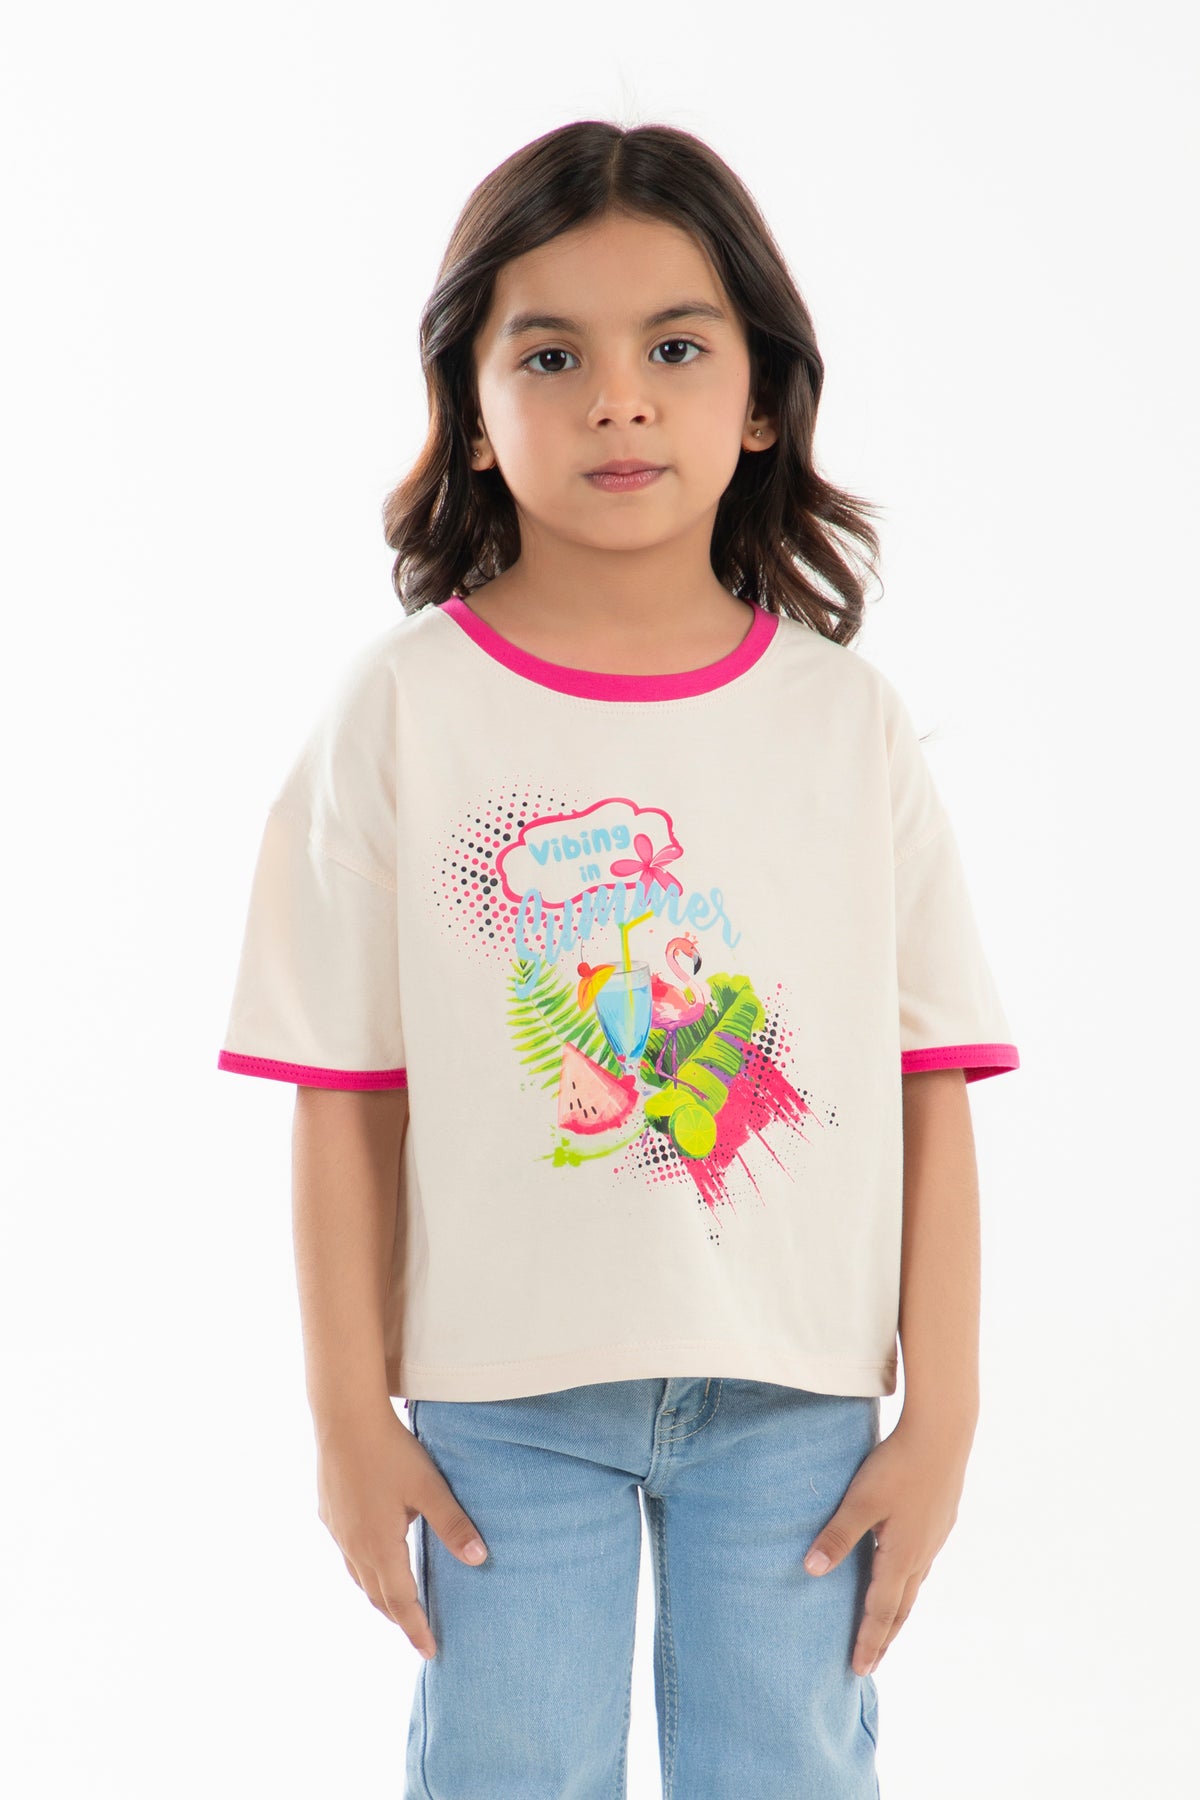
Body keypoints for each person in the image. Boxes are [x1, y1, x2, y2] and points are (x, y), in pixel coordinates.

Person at [217, 119, 1020, 1800]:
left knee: (787, 1770)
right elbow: (345, 1095)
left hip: (795, 1401)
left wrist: (941, 1416)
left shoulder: (847, 723)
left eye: (674, 347)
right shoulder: (402, 709)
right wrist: (347, 1418)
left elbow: (928, 1085)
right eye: (551, 356)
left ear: (762, 396)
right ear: (470, 408)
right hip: (501, 1404)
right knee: (505, 1769)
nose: (618, 402)